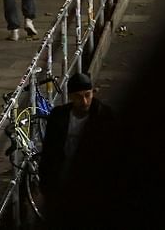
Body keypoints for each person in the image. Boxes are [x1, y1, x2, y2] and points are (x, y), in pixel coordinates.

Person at [38, 73, 114, 220]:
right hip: (62, 178)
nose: (85, 101)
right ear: (71, 97)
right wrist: (46, 185)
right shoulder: (59, 116)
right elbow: (48, 151)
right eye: (79, 97)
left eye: (87, 95)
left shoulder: (104, 116)